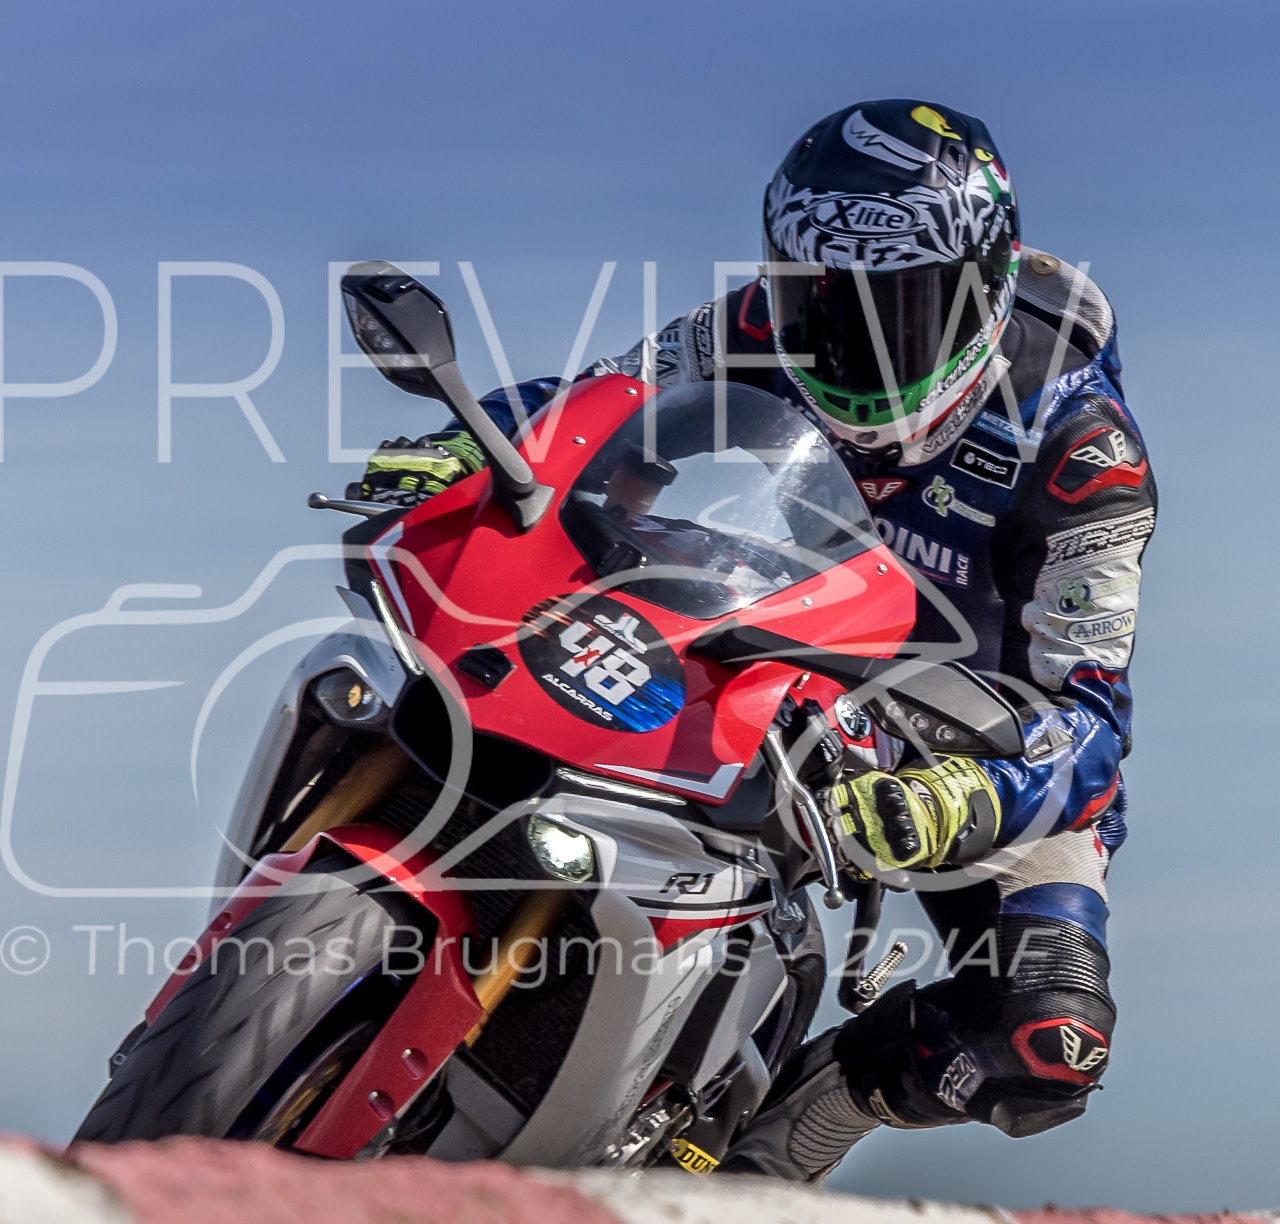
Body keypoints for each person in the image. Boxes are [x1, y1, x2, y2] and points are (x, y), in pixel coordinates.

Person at [354, 98, 1155, 1181]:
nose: (852, 341)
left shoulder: (1083, 453)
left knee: (1047, 1041)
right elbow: (596, 403)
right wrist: (472, 442)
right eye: (821, 298)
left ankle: (794, 1136)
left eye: (900, 308)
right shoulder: (756, 322)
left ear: (984, 288)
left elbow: (1091, 719)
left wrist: (963, 796)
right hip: (783, 644)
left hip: (980, 742)